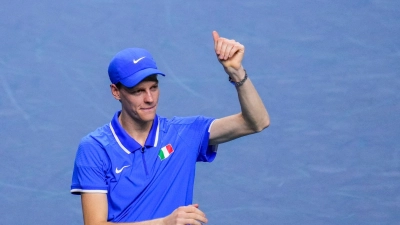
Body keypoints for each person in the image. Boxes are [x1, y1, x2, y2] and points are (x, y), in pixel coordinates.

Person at [70, 31, 270, 225]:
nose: (149, 99)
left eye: (154, 88)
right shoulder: (95, 148)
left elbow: (256, 122)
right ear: (116, 92)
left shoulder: (184, 134)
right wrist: (164, 223)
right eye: (138, 91)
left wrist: (236, 72)